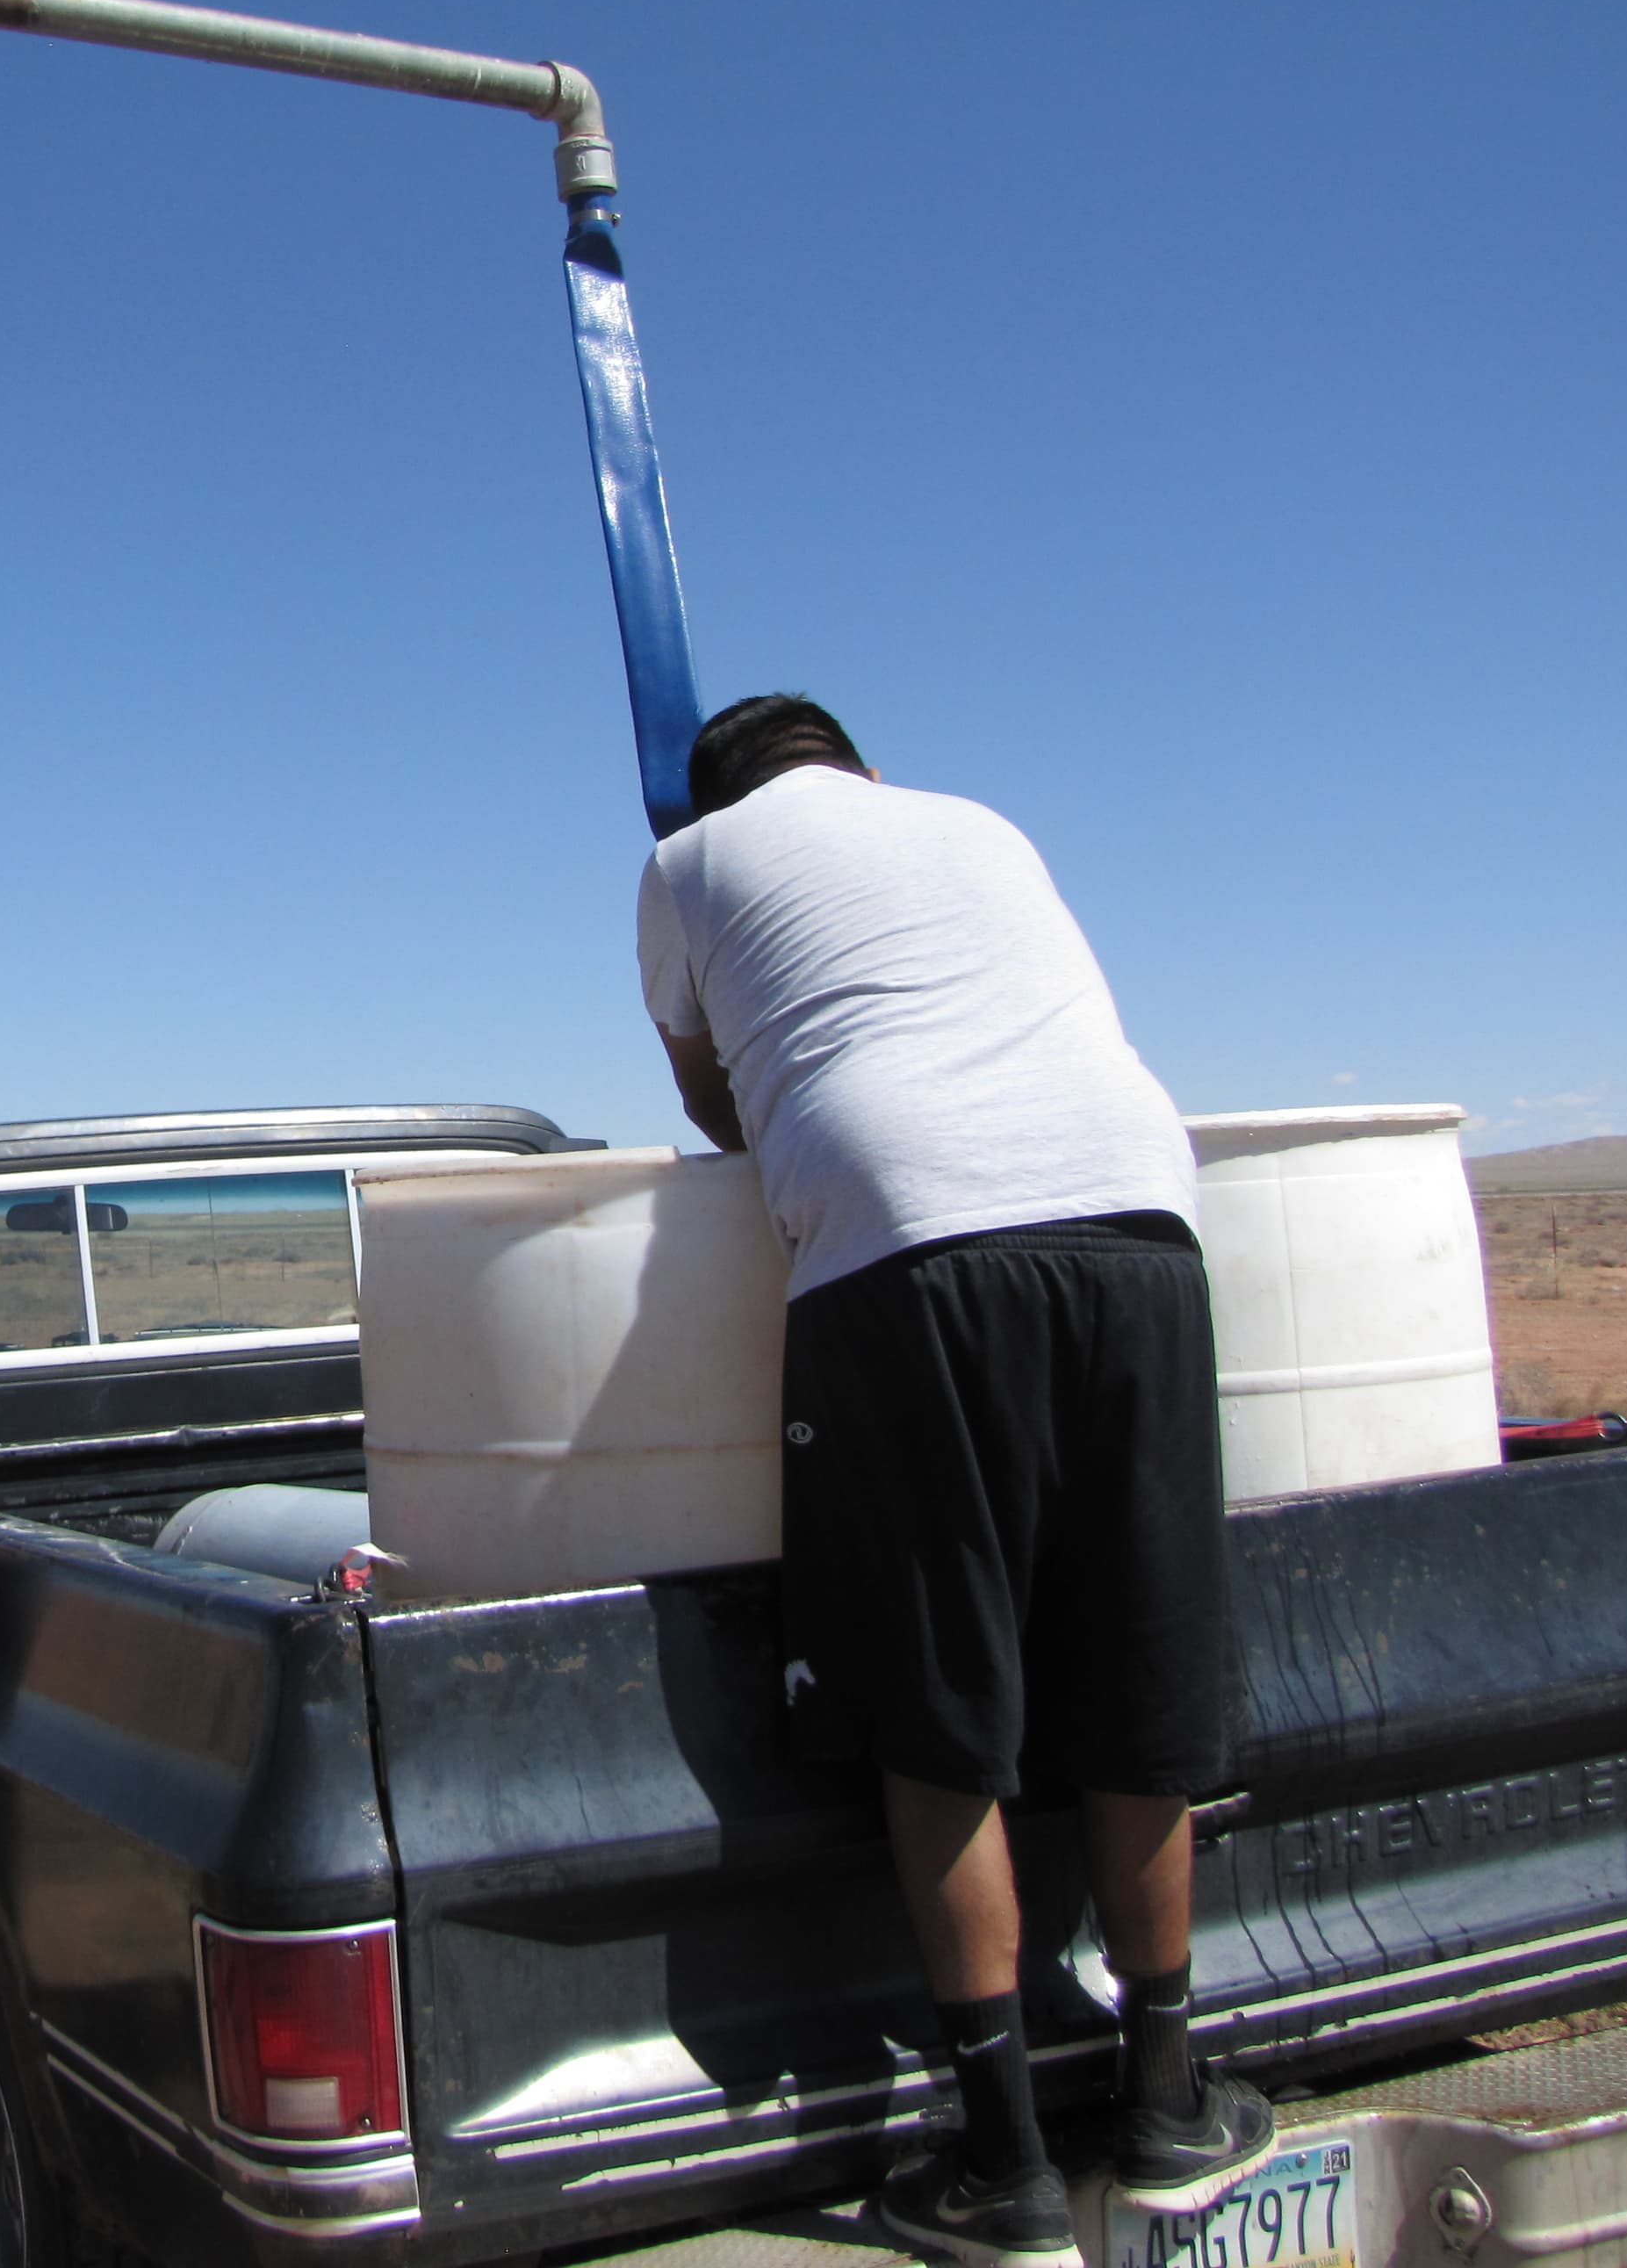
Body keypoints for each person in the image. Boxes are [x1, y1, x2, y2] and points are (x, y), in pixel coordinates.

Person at [637, 695, 1273, 2268]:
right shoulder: (986, 825)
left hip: (905, 1238)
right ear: (851, 764)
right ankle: (1169, 2095)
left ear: (714, 794)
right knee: (1135, 1653)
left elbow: (715, 1102)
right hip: (1140, 1220)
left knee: (941, 1703)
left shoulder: (686, 863)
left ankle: (1002, 2161)